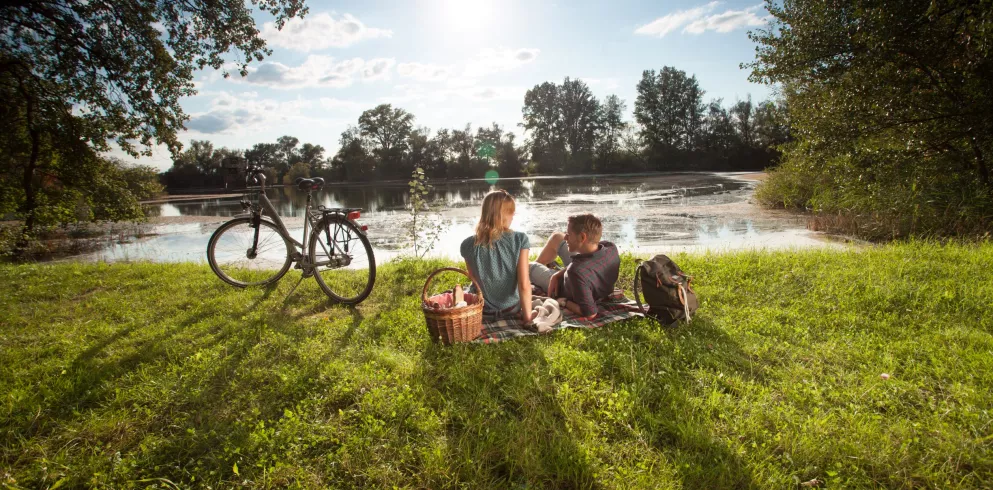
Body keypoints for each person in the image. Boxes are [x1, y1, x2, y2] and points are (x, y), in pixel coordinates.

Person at [460, 190, 536, 322]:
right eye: (511, 212)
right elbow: (523, 284)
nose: (513, 217)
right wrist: (528, 319)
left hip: (483, 311)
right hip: (511, 309)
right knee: (529, 288)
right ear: (503, 215)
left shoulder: (466, 244)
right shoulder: (520, 240)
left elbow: (474, 281)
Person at [529, 214, 620, 320]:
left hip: (561, 287)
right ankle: (536, 274)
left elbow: (591, 313)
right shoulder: (610, 247)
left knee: (527, 266)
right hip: (587, 276)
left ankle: (534, 274)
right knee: (557, 237)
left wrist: (564, 302)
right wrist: (558, 274)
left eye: (569, 234)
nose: (565, 237)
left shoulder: (576, 271)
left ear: (582, 237)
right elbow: (579, 268)